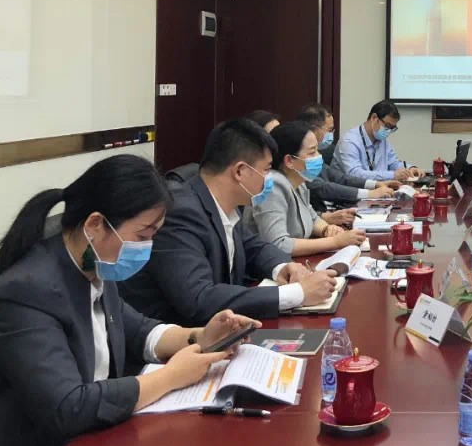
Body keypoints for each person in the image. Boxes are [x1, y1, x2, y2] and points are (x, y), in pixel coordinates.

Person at [0, 155, 261, 446]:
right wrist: (170, 377)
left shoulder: (93, 264)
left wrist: (201, 336)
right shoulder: (25, 293)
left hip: (88, 445)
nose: (148, 248)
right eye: (142, 236)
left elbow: (137, 330)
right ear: (95, 225)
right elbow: (69, 406)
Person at [120, 119, 338, 326]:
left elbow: (254, 247)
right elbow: (199, 298)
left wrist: (284, 267)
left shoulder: (224, 204)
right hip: (181, 340)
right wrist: (297, 293)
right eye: (265, 170)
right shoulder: (181, 212)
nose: (269, 178)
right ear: (240, 171)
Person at [244, 121, 367, 257]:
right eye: (312, 152)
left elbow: (312, 218)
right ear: (289, 161)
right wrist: (335, 242)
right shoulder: (273, 186)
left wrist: (327, 229)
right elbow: (278, 244)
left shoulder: (298, 180)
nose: (319, 156)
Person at [297, 104, 398, 208]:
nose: (332, 133)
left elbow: (339, 177)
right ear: (313, 129)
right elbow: (322, 187)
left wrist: (375, 184)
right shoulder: (298, 156)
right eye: (330, 130)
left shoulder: (314, 155)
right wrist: (369, 194)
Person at [335, 100, 424, 183]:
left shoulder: (381, 140)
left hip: (377, 189)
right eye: (387, 125)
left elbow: (393, 163)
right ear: (374, 118)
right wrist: (392, 175)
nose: (388, 131)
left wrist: (410, 169)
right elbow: (354, 174)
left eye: (392, 128)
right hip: (350, 191)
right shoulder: (349, 141)